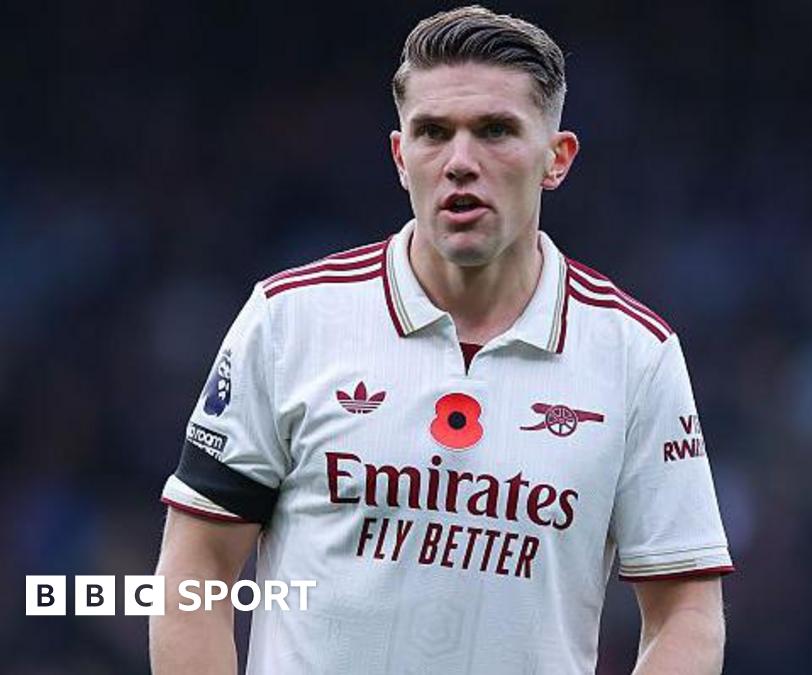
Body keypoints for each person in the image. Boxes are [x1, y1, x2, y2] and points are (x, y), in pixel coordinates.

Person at [149, 5, 732, 673]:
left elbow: (685, 606)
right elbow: (195, 566)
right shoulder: (288, 320)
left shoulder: (635, 355)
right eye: (433, 132)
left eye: (495, 131)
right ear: (402, 158)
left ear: (556, 158)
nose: (461, 161)